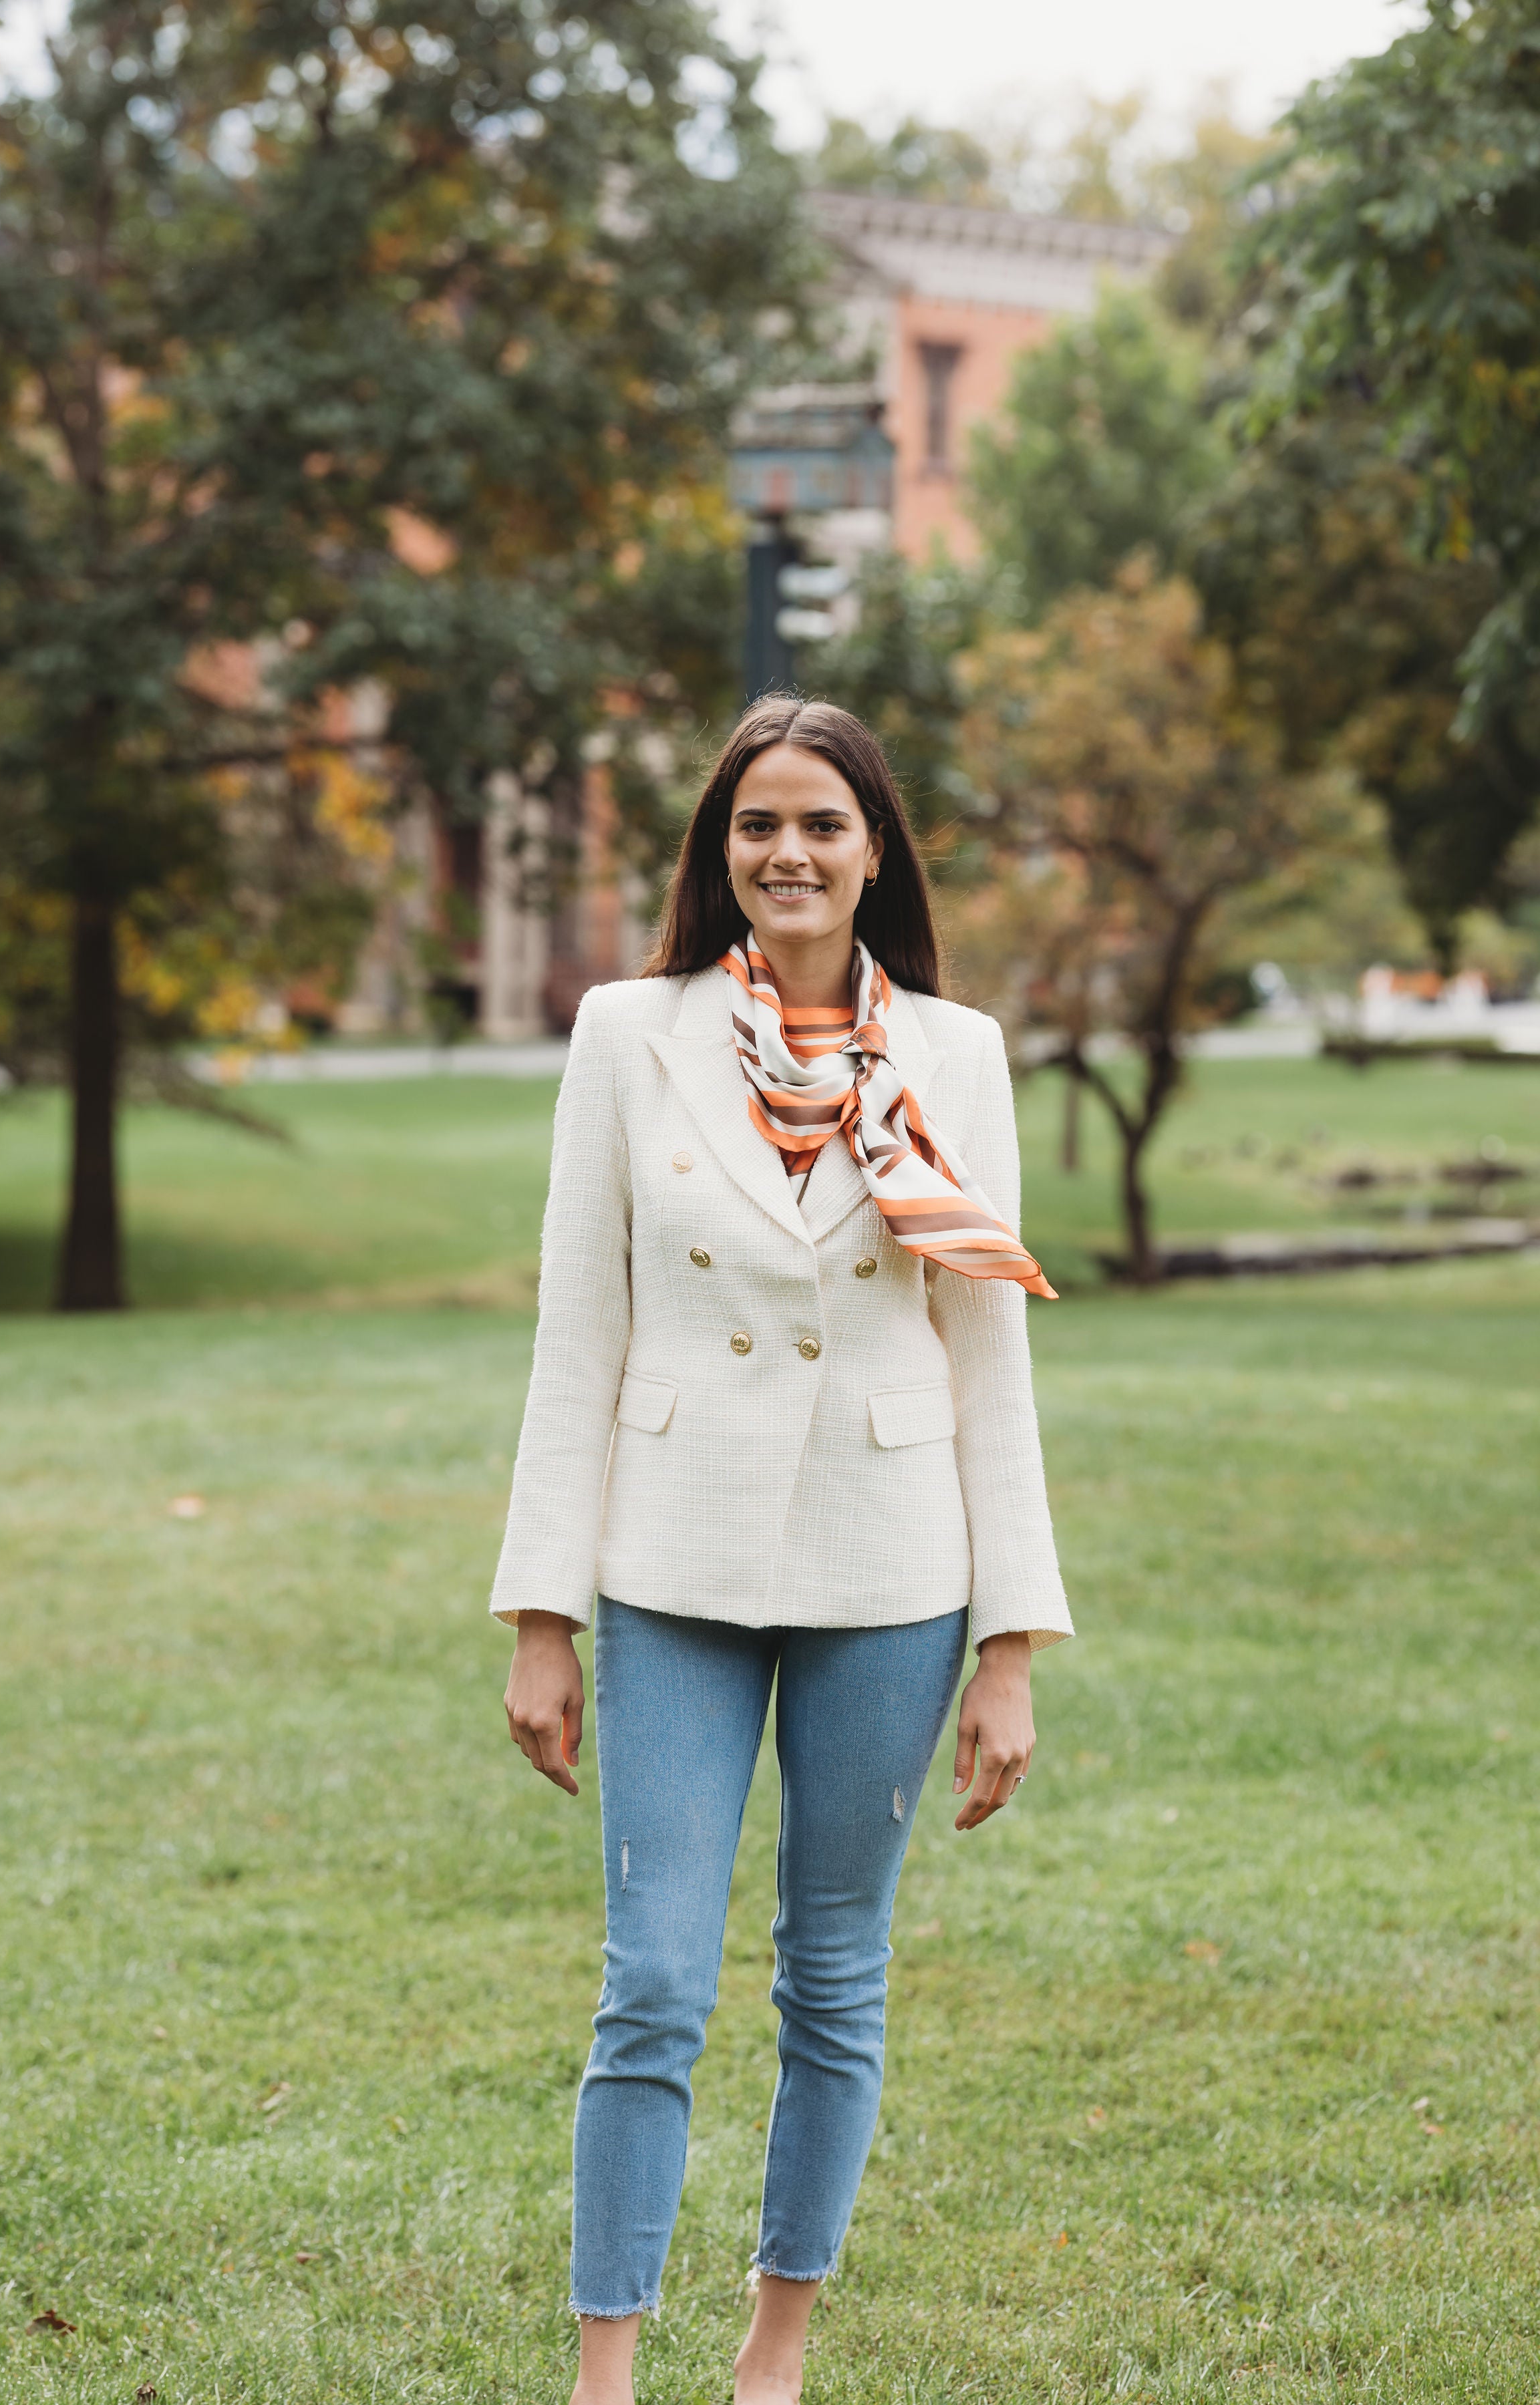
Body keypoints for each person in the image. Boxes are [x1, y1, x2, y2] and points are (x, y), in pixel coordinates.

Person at [493, 696, 1072, 2405]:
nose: (791, 854)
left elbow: (990, 1356)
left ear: (874, 846)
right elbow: (573, 1334)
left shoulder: (953, 1055)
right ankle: (605, 2374)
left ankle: (774, 2353)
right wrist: (541, 1611)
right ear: (719, 852)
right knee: (654, 1979)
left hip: (893, 1573)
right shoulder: (627, 1034)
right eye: (759, 826)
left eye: (823, 823)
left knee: (834, 1974)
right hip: (667, 1567)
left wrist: (1014, 1645)